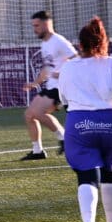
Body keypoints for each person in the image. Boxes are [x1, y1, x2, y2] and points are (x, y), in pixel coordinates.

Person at [58, 17, 112, 222]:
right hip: (111, 121)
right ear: (103, 42)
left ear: (80, 44)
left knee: (87, 176)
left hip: (80, 123)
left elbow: (63, 99)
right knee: (111, 173)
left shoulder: (69, 67)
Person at [20, 10, 77, 160]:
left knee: (39, 112)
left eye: (37, 25)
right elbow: (47, 69)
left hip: (61, 87)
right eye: (33, 26)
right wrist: (35, 83)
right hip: (50, 86)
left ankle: (64, 138)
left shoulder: (59, 41)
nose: (35, 29)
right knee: (29, 115)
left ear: (46, 24)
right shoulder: (45, 43)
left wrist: (64, 73)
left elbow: (77, 58)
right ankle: (37, 151)